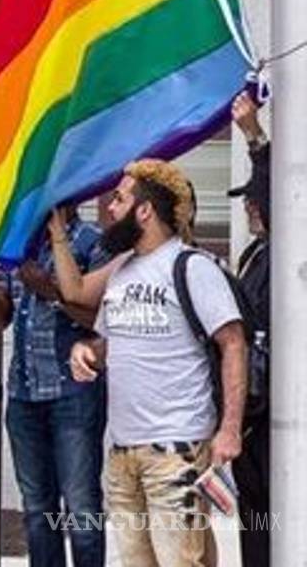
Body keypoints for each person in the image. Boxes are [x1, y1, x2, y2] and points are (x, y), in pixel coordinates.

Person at [60, 159, 246, 566]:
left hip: (176, 452)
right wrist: (87, 351)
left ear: (144, 211)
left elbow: (233, 342)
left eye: (120, 199)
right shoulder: (122, 271)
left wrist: (229, 430)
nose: (110, 207)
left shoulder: (192, 266)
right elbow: (110, 341)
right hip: (123, 454)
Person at [0, 203, 107, 567]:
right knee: (37, 511)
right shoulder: (19, 246)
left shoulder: (91, 243)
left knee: (81, 507)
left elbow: (103, 318)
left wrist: (51, 290)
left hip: (73, 396)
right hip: (23, 396)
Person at [228, 91, 271, 567]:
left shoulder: (287, 251)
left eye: (255, 201)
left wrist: (254, 136)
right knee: (255, 515)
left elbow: (280, 192)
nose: (249, 208)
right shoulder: (252, 256)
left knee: (278, 515)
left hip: (284, 413)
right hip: (254, 410)